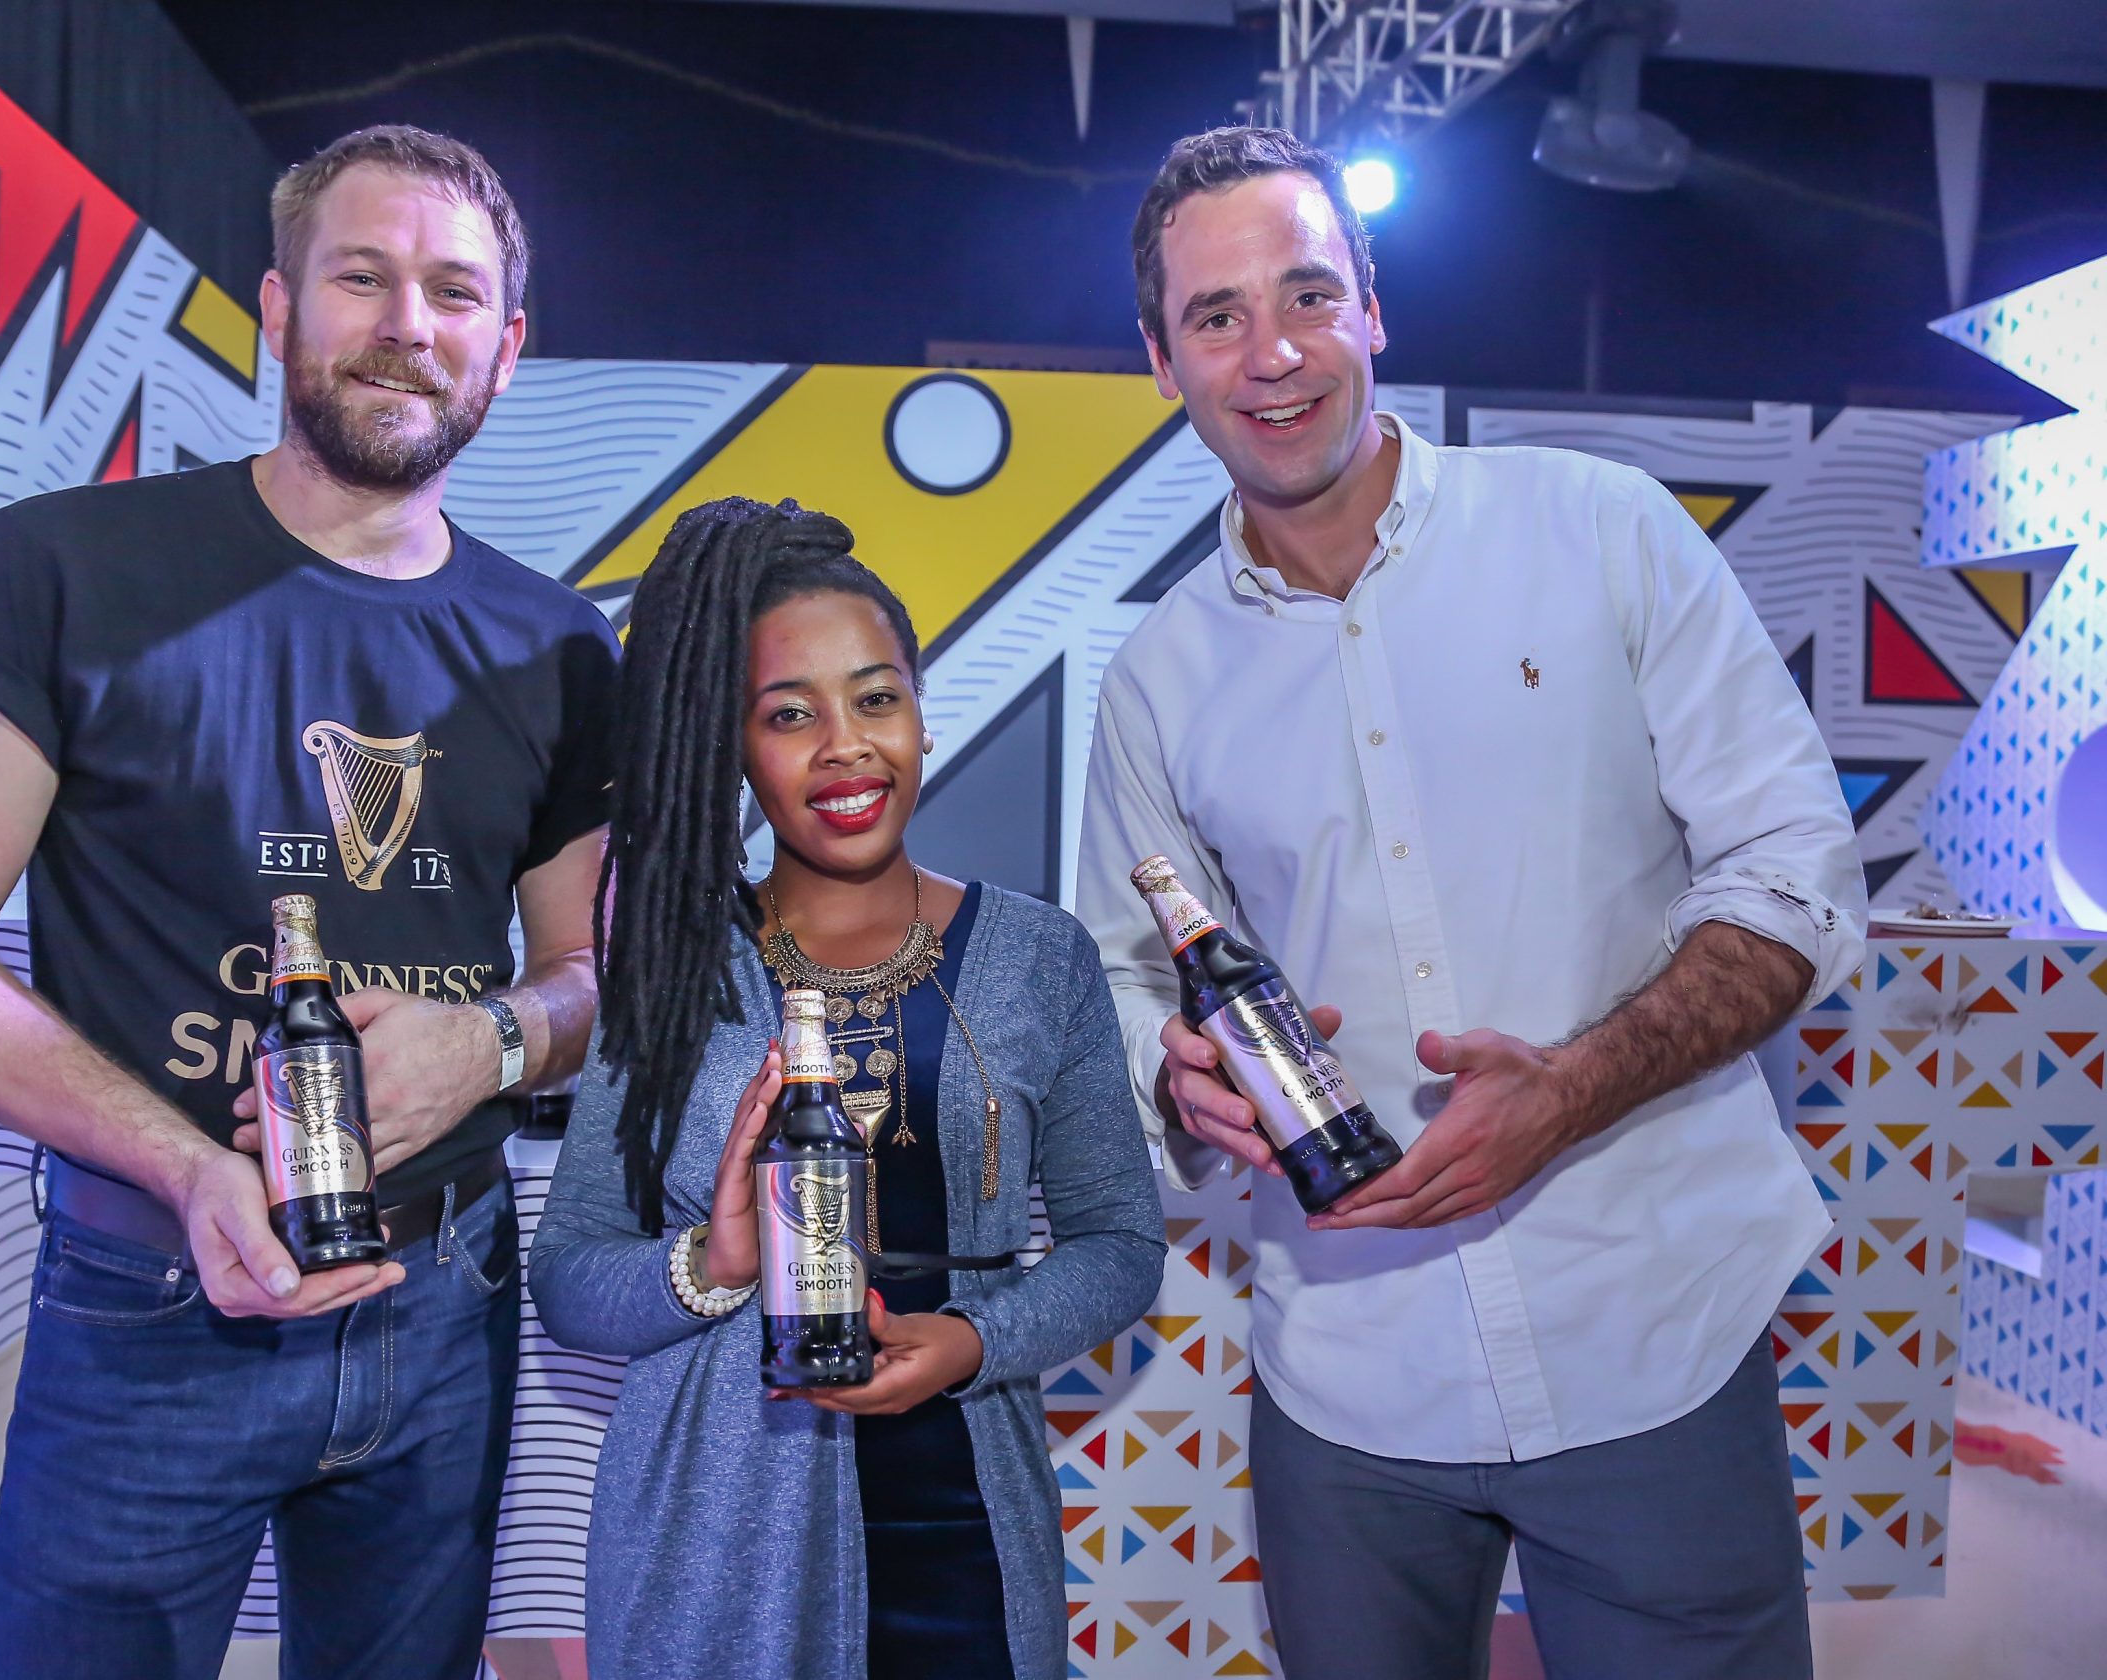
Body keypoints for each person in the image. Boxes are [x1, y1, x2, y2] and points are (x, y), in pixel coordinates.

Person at [1073, 126, 1863, 1680]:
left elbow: (1796, 874)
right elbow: (1121, 975)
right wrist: (1171, 1075)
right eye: (1218, 317)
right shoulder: (1157, 680)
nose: (1274, 351)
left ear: (1375, 309)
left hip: (1652, 1335)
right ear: (1161, 362)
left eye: (1309, 293)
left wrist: (1571, 1091)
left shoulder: (1606, 532)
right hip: (1348, 1384)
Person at [0, 125, 620, 1680]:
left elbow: (587, 972)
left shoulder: (559, 650)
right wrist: (191, 1173)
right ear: (276, 309)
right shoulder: (65, 570)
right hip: (147, 1302)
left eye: (455, 292)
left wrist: (494, 1041)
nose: (410, 322)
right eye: (363, 275)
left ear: (506, 348)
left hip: (445, 1299)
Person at [527, 497, 1164, 1680]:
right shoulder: (671, 965)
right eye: (787, 715)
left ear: (921, 708)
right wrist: (706, 1266)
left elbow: (1119, 1245)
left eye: (876, 697)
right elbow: (568, 1275)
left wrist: (976, 1340)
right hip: (717, 1534)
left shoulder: (1040, 958)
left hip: (969, 1510)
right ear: (730, 746)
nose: (844, 747)